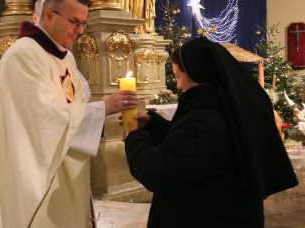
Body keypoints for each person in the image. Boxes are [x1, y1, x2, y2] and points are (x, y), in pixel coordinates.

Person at [0, 0, 137, 228]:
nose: (79, 30)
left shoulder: (64, 56)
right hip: (35, 175)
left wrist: (98, 110)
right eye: (74, 21)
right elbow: (45, 120)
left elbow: (72, 105)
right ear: (49, 15)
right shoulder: (23, 55)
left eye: (83, 23)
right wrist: (102, 108)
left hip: (64, 166)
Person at [125, 37, 298, 228]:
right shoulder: (226, 108)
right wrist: (153, 124)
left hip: (204, 216)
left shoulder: (203, 119)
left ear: (195, 73)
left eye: (178, 76)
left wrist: (134, 135)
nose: (178, 85)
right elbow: (191, 150)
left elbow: (157, 172)